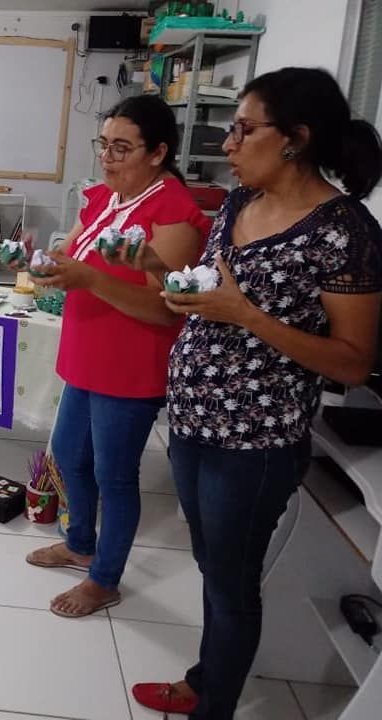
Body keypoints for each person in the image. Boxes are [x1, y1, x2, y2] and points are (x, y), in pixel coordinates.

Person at [129, 67, 382, 719]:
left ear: (295, 137)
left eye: (243, 129)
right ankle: (206, 679)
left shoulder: (345, 230)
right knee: (213, 566)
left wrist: (247, 316)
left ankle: (213, 704)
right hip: (191, 422)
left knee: (232, 584)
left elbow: (355, 363)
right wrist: (161, 273)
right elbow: (207, 289)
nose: (228, 143)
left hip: (255, 444)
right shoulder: (240, 203)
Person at [25, 94, 212, 618]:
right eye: (103, 144)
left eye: (121, 148)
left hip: (130, 365)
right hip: (87, 353)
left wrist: (88, 278)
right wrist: (46, 265)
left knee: (115, 475)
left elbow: (163, 310)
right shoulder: (105, 198)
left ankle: (104, 580)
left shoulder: (173, 212)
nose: (106, 157)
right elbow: (70, 256)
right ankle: (80, 543)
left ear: (158, 152)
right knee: (69, 455)